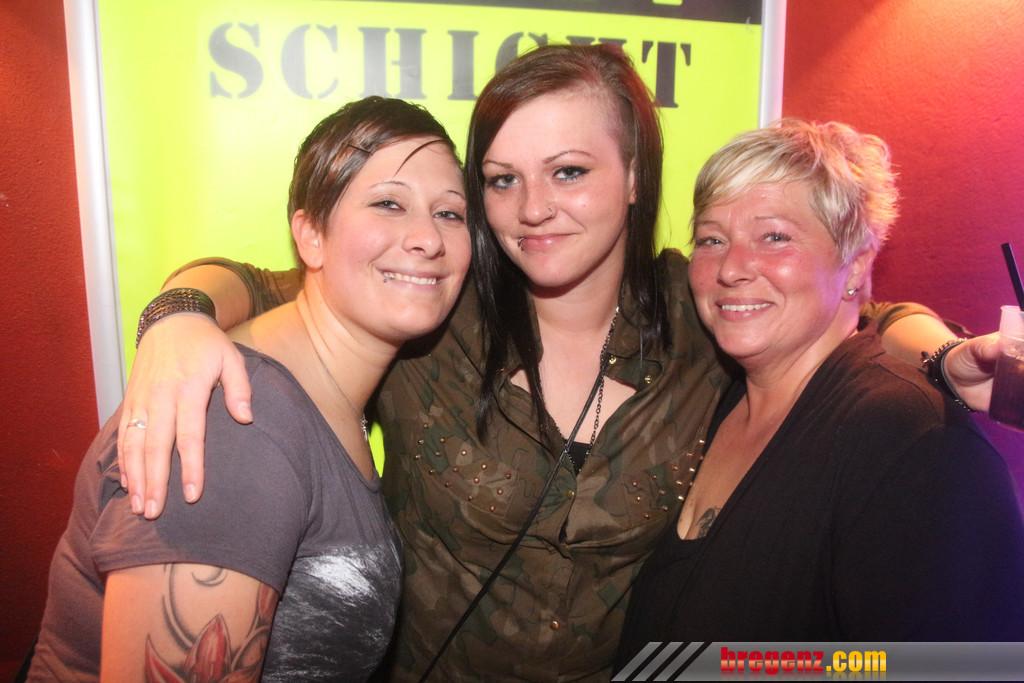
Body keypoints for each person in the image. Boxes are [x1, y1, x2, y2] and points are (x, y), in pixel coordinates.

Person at [115, 46, 989, 680]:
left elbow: (844, 311)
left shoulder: (703, 310)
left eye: (568, 171)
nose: (532, 208)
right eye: (501, 180)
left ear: (634, 175)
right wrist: (175, 319)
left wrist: (944, 355)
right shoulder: (429, 303)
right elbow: (259, 283)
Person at [27, 97, 471, 681]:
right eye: (388, 203)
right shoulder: (240, 422)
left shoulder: (316, 389)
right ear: (310, 236)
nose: (428, 238)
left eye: (450, 213)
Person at [615, 120, 1024, 660]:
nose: (731, 268)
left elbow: (962, 669)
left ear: (855, 265)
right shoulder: (717, 395)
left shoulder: (915, 444)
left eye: (775, 237)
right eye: (712, 239)